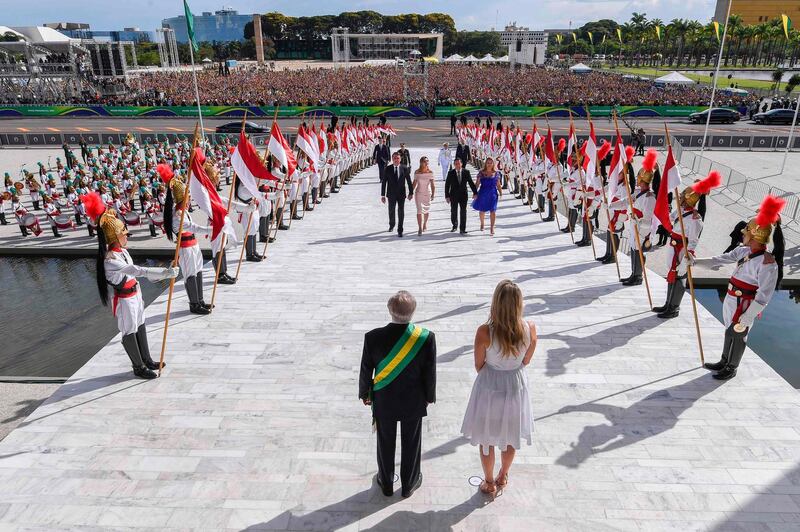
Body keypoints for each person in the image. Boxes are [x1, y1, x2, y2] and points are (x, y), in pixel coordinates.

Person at [82, 191, 179, 380]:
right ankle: (138, 366)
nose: (126, 237)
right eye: (123, 234)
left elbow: (138, 275)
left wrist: (163, 274)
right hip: (125, 299)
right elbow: (137, 271)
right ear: (115, 237)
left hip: (135, 294)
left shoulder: (122, 252)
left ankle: (147, 359)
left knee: (140, 325)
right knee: (129, 330)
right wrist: (166, 273)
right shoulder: (110, 260)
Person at [694, 196, 785, 380]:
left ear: (754, 236)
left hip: (745, 303)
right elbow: (719, 259)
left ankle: (731, 367)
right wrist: (695, 261)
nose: (743, 235)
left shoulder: (768, 263)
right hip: (731, 298)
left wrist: (749, 315)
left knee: (738, 333)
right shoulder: (744, 251)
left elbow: (764, 295)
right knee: (729, 330)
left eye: (746, 233)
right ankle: (724, 360)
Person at [461, 280, 536, 496]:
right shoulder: (530, 328)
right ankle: (503, 474)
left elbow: (478, 364)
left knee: (486, 438)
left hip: (490, 385)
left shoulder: (485, 332)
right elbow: (527, 360)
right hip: (515, 384)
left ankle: (489, 481)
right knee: (510, 435)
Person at [359, 291, 436, 498]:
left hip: (384, 400)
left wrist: (365, 394)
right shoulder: (425, 338)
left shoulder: (372, 337)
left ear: (389, 310)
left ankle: (385, 483)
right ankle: (409, 483)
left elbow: (366, 369)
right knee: (412, 442)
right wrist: (429, 396)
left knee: (385, 442)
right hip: (413, 400)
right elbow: (429, 372)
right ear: (413, 312)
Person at [652, 171, 721, 319]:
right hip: (673, 244)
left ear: (689, 199)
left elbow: (694, 240)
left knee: (679, 277)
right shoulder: (681, 210)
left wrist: (688, 254)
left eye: (683, 197)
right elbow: (670, 220)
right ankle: (667, 303)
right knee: (672, 273)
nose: (681, 199)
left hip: (682, 249)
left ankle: (674, 307)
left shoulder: (696, 219)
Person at [610, 149, 656, 286]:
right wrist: (611, 205)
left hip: (642, 230)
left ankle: (638, 276)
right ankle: (633, 274)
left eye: (639, 179)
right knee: (633, 250)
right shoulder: (638, 192)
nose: (637, 180)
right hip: (634, 225)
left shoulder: (650, 198)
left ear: (643, 180)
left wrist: (640, 223)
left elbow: (649, 220)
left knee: (639, 252)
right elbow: (626, 201)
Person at [381, 152, 413, 238]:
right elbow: (384, 182)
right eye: (394, 158)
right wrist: (382, 195)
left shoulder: (404, 168)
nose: (396, 159)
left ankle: (400, 229)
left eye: (398, 158)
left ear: (400, 159)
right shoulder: (388, 168)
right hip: (391, 194)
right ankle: (392, 224)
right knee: (391, 210)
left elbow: (409, 181)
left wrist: (411, 193)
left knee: (401, 211)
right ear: (392, 159)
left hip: (401, 194)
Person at [445, 158, 478, 235]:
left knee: (463, 211)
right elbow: (447, 185)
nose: (457, 165)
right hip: (453, 195)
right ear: (454, 165)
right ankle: (454, 225)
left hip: (463, 195)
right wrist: (447, 196)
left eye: (459, 163)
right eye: (456, 164)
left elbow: (470, 183)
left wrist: (475, 192)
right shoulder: (451, 173)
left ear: (461, 164)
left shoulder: (466, 172)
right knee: (454, 211)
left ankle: (462, 229)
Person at [472, 157, 502, 236]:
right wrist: (475, 193)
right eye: (488, 163)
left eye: (490, 163)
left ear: (493, 164)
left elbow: (498, 184)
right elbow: (477, 183)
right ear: (485, 163)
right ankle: (482, 223)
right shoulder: (481, 172)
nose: (489, 164)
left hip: (493, 194)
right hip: (483, 193)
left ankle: (492, 227)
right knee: (482, 210)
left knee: (493, 210)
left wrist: (501, 192)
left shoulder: (496, 173)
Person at [412, 156, 435, 236]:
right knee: (419, 210)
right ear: (421, 163)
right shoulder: (417, 172)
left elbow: (432, 184)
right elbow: (414, 183)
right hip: (418, 193)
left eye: (427, 161)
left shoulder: (430, 172)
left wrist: (433, 194)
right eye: (425, 161)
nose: (426, 163)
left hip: (427, 193)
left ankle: (425, 223)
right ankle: (419, 228)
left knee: (426, 210)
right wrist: (410, 193)